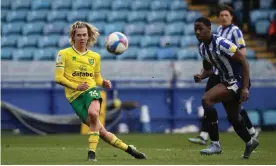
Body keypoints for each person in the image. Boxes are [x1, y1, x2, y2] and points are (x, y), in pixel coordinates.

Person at [55, 21, 146, 161]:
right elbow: (59, 78)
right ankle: (130, 150)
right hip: (74, 97)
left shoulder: (95, 56)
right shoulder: (63, 54)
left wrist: (103, 82)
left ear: (88, 36)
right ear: (73, 36)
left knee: (93, 113)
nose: (82, 38)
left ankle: (91, 153)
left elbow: (96, 77)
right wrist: (76, 86)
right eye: (79, 35)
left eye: (84, 35)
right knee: (101, 132)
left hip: (90, 91)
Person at [188, 5, 258, 146]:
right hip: (223, 76)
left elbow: (243, 59)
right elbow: (208, 68)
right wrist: (201, 76)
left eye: (200, 29)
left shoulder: (228, 36)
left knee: (207, 99)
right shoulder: (202, 46)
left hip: (236, 79)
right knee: (233, 117)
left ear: (209, 28)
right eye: (195, 29)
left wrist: (244, 87)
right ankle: (251, 140)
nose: (197, 32)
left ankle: (213, 142)